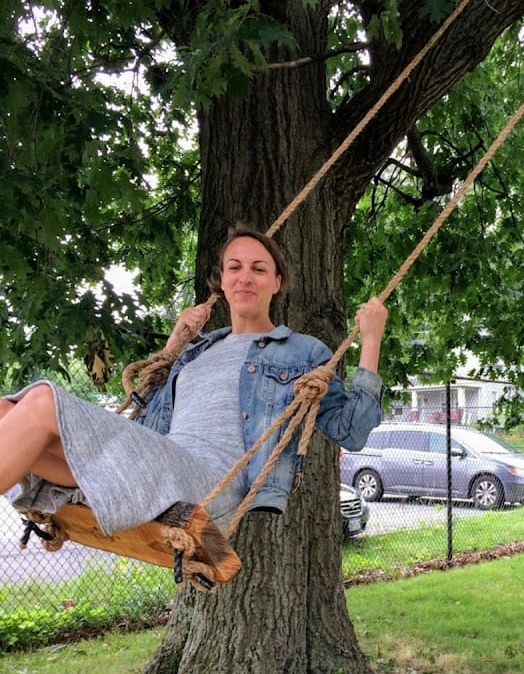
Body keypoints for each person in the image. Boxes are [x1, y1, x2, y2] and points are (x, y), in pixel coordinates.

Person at [0, 225, 388, 536]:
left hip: (210, 483)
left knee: (41, 402)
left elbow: (351, 431)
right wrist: (173, 346)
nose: (245, 278)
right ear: (221, 281)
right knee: (5, 410)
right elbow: (147, 420)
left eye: (259, 269)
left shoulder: (302, 352)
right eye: (234, 267)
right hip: (159, 465)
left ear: (277, 282)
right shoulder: (197, 351)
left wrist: (370, 341)